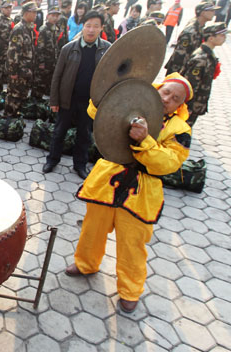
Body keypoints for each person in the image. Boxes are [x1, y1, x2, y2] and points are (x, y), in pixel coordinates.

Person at [67, 74, 193, 313]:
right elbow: (98, 113)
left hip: (142, 191)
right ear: (158, 88)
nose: (167, 99)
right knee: (92, 229)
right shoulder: (135, 101)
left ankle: (130, 290)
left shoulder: (180, 130)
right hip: (109, 179)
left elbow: (168, 163)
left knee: (132, 245)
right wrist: (102, 96)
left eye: (175, 98)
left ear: (180, 105)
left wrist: (145, 140)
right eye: (166, 92)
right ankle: (85, 264)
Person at [44, 10, 111, 179]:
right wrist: (54, 100)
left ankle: (80, 165)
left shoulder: (106, 49)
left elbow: (111, 77)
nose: (91, 30)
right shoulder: (69, 48)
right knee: (59, 131)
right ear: (82, 26)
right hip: (68, 99)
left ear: (101, 28)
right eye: (88, 26)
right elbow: (57, 76)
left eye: (95, 26)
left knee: (84, 135)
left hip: (91, 102)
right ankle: (52, 160)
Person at [180, 22, 227, 127]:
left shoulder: (208, 55)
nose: (224, 37)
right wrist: (189, 107)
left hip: (196, 105)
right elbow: (190, 85)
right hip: (190, 107)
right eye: (221, 35)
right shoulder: (202, 58)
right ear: (211, 38)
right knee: (181, 133)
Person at [165, 0, 218, 75]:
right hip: (179, 71)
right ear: (203, 13)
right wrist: (177, 75)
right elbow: (180, 55)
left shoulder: (199, 26)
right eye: (212, 10)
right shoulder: (191, 31)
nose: (214, 13)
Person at [4, 2, 37, 116]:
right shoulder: (19, 29)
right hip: (18, 71)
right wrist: (13, 71)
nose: (36, 15)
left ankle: (15, 119)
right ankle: (8, 119)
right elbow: (13, 52)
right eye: (34, 12)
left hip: (25, 71)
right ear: (27, 13)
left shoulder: (29, 28)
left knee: (22, 96)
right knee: (13, 96)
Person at [36, 6, 61, 99]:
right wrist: (41, 62)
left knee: (50, 81)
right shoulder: (44, 29)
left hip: (52, 60)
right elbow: (40, 47)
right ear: (47, 16)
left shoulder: (55, 28)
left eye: (57, 16)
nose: (55, 18)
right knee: (41, 82)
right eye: (53, 15)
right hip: (45, 61)